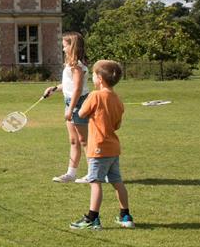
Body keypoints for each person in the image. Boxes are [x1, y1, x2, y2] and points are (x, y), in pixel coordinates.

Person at [70, 60, 134, 230]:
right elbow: (117, 125)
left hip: (98, 147)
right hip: (113, 148)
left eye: (93, 74)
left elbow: (82, 113)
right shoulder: (117, 99)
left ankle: (92, 217)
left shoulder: (95, 96)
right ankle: (125, 215)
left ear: (99, 78)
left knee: (95, 181)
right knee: (117, 182)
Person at [43, 31, 90, 183]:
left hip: (78, 103)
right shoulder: (71, 65)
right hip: (70, 102)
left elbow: (77, 88)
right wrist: (55, 88)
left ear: (73, 46)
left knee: (84, 141)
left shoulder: (77, 66)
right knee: (74, 141)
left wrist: (71, 109)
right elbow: (69, 85)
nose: (63, 49)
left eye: (65, 46)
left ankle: (93, 173)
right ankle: (71, 173)